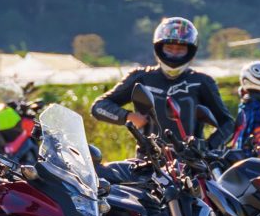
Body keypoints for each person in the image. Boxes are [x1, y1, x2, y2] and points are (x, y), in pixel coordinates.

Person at [89, 17, 233, 145]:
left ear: (190, 51)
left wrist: (207, 146)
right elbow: (99, 107)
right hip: (148, 160)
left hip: (191, 162)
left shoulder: (201, 81)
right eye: (169, 48)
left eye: (180, 49)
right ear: (159, 48)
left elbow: (228, 124)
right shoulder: (141, 77)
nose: (174, 53)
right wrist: (128, 116)